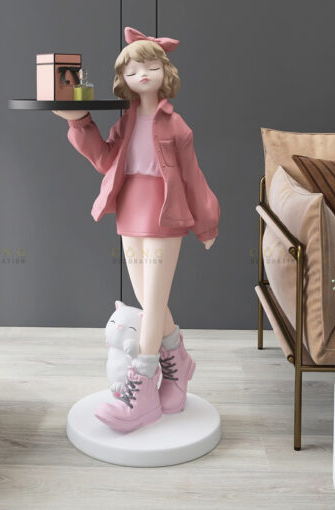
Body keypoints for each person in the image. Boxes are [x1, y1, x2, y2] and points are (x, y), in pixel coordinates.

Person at [53, 26, 220, 433]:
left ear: (165, 72)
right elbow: (105, 160)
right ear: (123, 78)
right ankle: (177, 362)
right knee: (148, 299)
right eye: (132, 70)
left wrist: (207, 222)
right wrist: (79, 122)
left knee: (153, 302)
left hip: (165, 212)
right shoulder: (125, 123)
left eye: (150, 67)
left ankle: (143, 387)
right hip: (130, 208)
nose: (142, 75)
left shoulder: (176, 126)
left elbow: (193, 176)